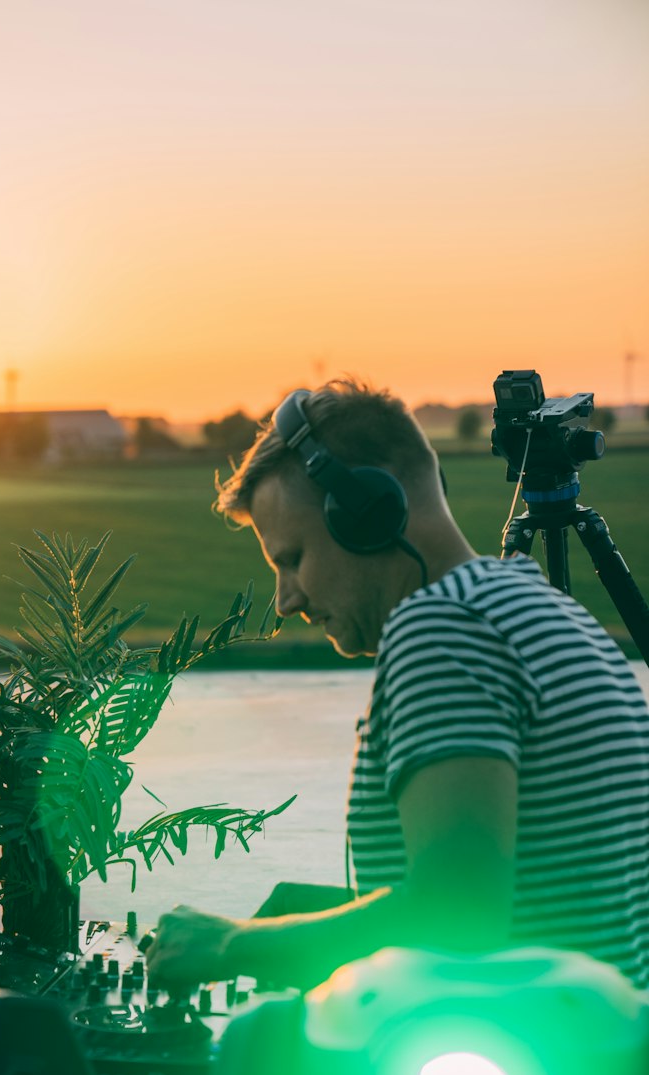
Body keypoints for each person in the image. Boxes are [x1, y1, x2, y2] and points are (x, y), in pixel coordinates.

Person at [145, 379, 649, 994]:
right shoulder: (552, 612)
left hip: (531, 1050)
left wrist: (230, 944)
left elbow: (459, 916)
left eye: (292, 558)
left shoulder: (441, 629)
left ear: (366, 515)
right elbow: (551, 897)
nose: (286, 600)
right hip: (599, 1049)